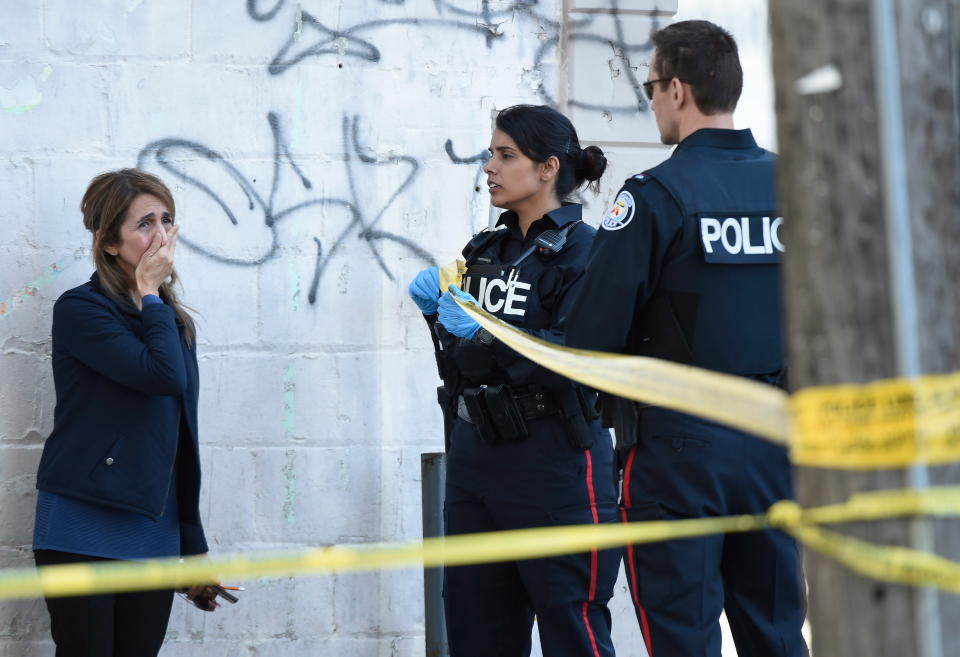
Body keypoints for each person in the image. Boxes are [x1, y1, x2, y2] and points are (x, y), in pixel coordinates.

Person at [565, 20, 808, 657]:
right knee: (777, 630)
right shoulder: (796, 187)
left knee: (681, 634)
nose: (650, 104)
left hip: (680, 450)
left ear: (676, 90)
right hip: (775, 437)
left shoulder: (656, 196)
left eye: (649, 87)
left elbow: (591, 333)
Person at [408, 105, 620, 657]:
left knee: (573, 631)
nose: (490, 168)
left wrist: (484, 335)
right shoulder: (486, 251)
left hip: (554, 464)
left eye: (506, 156)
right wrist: (439, 317)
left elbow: (576, 354)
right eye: (490, 155)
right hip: (478, 463)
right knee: (477, 633)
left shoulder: (587, 252)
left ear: (548, 167)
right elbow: (462, 364)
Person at [32, 169, 219, 657]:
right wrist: (151, 294)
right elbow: (161, 376)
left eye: (167, 220)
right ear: (108, 242)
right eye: (144, 224)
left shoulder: (173, 323)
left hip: (151, 526)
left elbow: (183, 435)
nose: (161, 236)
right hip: (81, 521)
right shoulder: (80, 311)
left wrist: (191, 545)